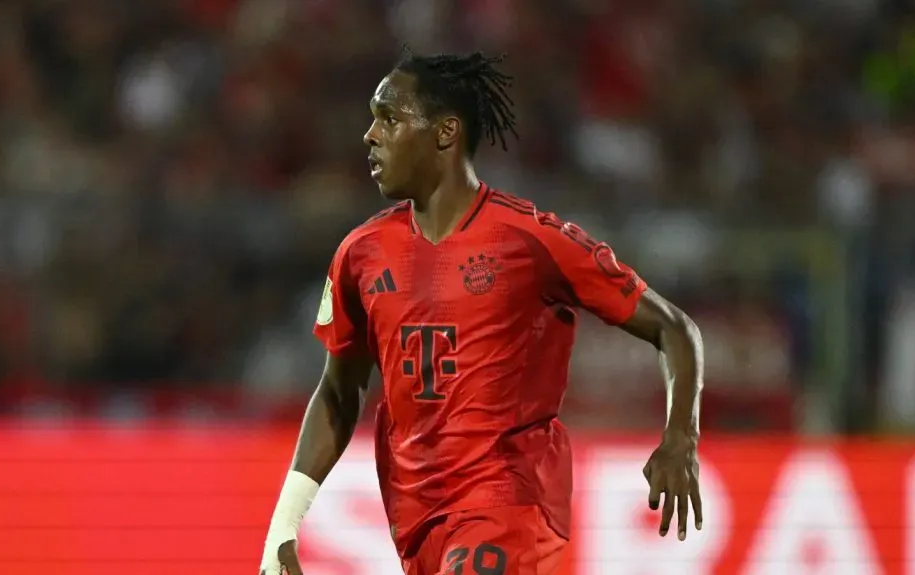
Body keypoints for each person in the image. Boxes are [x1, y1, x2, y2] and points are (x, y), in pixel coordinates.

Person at [259, 48, 705, 575]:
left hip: (510, 501)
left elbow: (674, 328)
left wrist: (681, 435)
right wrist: (284, 525)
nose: (369, 135)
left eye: (389, 118)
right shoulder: (360, 253)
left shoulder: (531, 240)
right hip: (415, 516)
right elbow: (338, 391)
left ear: (445, 133)